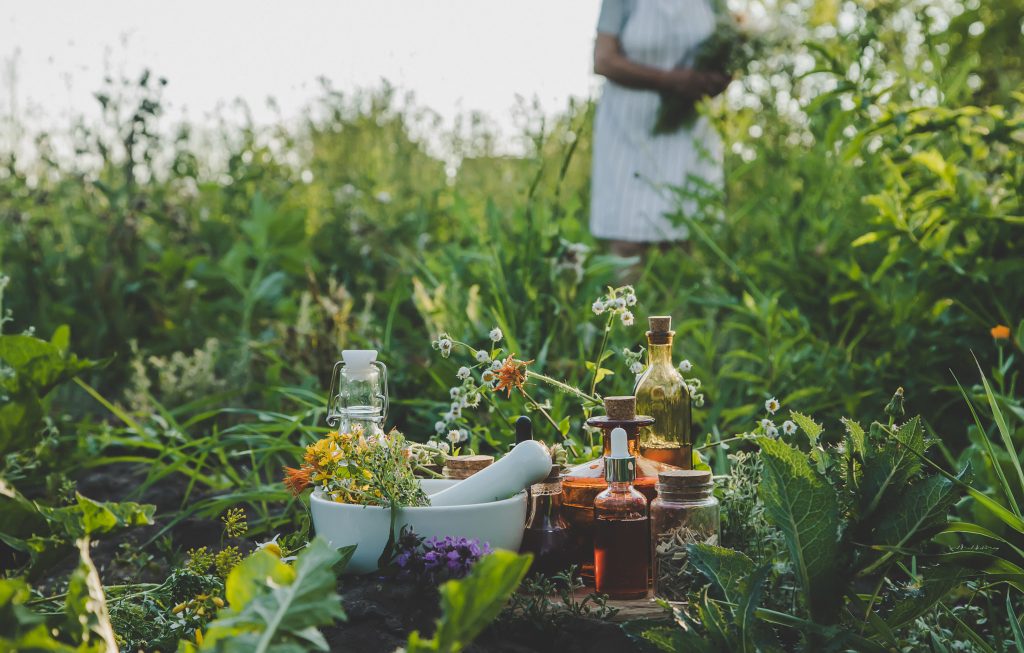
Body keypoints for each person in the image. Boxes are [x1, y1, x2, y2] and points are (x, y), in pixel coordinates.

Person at [591, 0, 731, 259]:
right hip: (627, 130)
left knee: (683, 239)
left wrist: (716, 80)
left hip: (690, 128)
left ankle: (678, 298)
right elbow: (604, 60)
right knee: (627, 240)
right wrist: (670, 81)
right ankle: (622, 300)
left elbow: (729, 45)